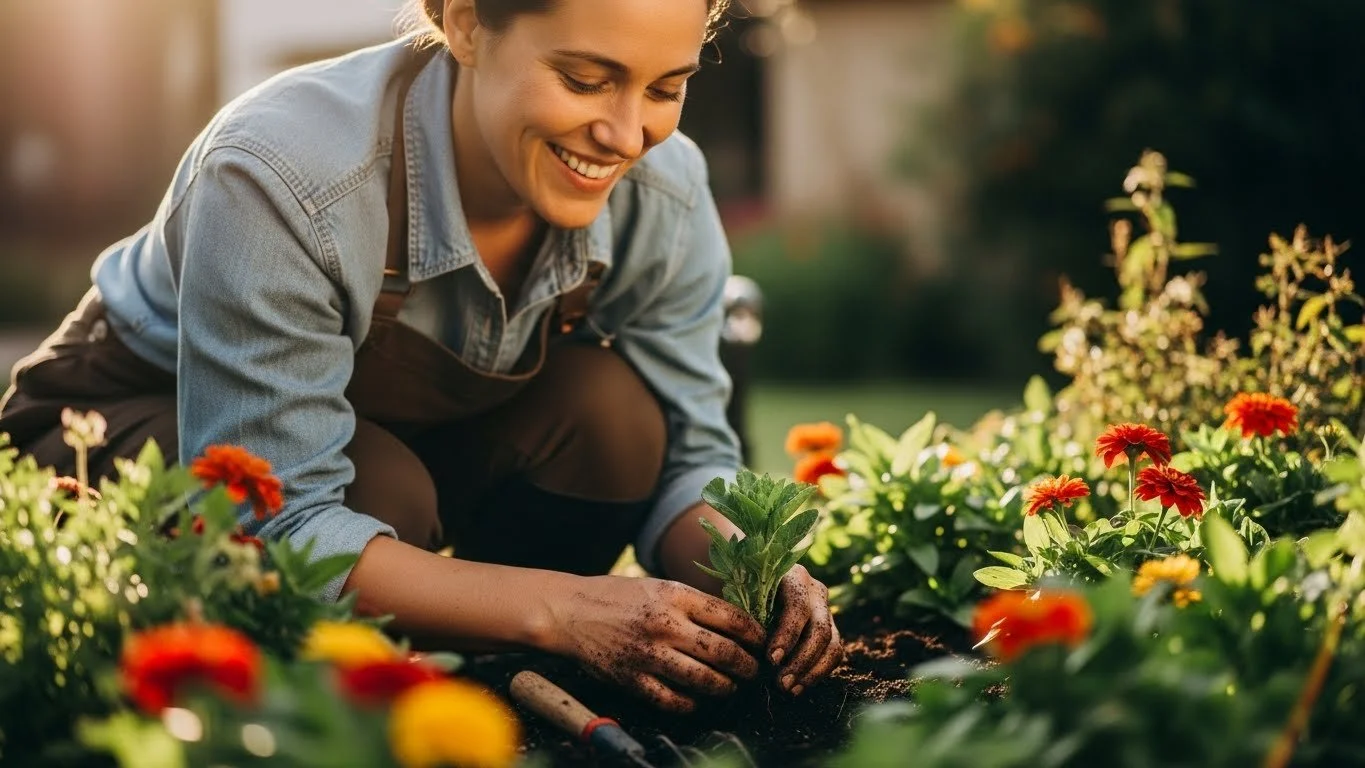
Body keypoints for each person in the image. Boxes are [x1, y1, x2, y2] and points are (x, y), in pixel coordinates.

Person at [0, 0, 842, 710]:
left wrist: (759, 573)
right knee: (380, 490)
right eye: (584, 80)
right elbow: (283, 522)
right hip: (118, 429)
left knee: (615, 422)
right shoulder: (283, 174)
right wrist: (565, 605)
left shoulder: (663, 191)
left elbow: (692, 457)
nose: (626, 134)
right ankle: (428, 660)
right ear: (466, 22)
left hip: (386, 440)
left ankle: (487, 672)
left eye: (666, 88)